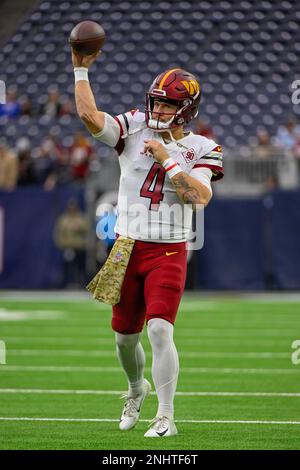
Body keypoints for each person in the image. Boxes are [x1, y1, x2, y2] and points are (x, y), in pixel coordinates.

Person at [72, 50, 224, 437]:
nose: (157, 109)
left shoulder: (204, 148)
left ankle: (166, 415)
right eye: (155, 100)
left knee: (160, 330)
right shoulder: (135, 126)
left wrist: (168, 160)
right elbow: (91, 118)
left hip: (168, 249)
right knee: (124, 339)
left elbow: (199, 198)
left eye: (168, 103)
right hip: (126, 246)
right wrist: (80, 68)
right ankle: (135, 388)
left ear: (186, 109)